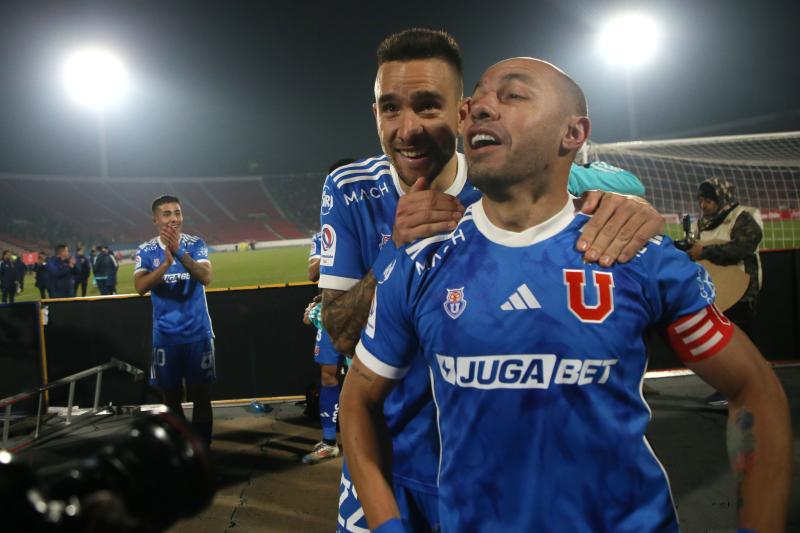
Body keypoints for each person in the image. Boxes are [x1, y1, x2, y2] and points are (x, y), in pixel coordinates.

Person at [341, 57, 792, 533]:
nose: (478, 109)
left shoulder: (633, 253)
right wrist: (388, 526)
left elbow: (754, 389)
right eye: (475, 100)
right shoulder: (422, 262)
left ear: (574, 133)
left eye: (512, 95)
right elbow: (358, 401)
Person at [320, 29, 664, 532]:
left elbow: (621, 190)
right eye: (390, 108)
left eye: (428, 107)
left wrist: (631, 207)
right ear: (375, 113)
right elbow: (340, 332)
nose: (408, 129)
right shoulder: (351, 189)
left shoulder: (510, 175)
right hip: (387, 455)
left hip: (497, 467)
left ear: (462, 112)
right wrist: (395, 251)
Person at [134, 195, 215, 446]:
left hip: (198, 333)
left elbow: (205, 277)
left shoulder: (196, 243)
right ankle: (184, 448)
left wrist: (179, 252)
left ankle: (203, 449)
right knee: (170, 397)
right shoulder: (146, 250)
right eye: (167, 214)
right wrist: (164, 266)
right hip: (166, 336)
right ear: (156, 219)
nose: (173, 218)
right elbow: (140, 286)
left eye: (177, 213)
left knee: (201, 395)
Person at [687, 177, 764, 406]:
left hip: (742, 288)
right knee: (722, 344)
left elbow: (743, 247)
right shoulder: (701, 222)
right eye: (701, 199)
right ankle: (729, 389)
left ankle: (750, 390)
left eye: (709, 200)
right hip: (715, 290)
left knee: (742, 343)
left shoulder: (743, 216)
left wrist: (705, 252)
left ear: (723, 198)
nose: (704, 205)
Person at [302, 159, 356, 465]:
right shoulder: (324, 232)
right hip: (331, 314)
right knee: (327, 375)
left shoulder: (375, 224)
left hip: (364, 314)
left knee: (365, 378)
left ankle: (364, 441)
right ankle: (329, 441)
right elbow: (313, 271)